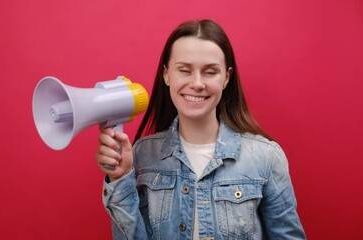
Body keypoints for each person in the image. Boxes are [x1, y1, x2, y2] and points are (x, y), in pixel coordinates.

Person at [95, 19, 306, 240]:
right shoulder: (141, 154)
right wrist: (120, 177)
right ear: (167, 75)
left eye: (210, 72)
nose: (197, 83)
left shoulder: (267, 157)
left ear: (226, 77)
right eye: (184, 70)